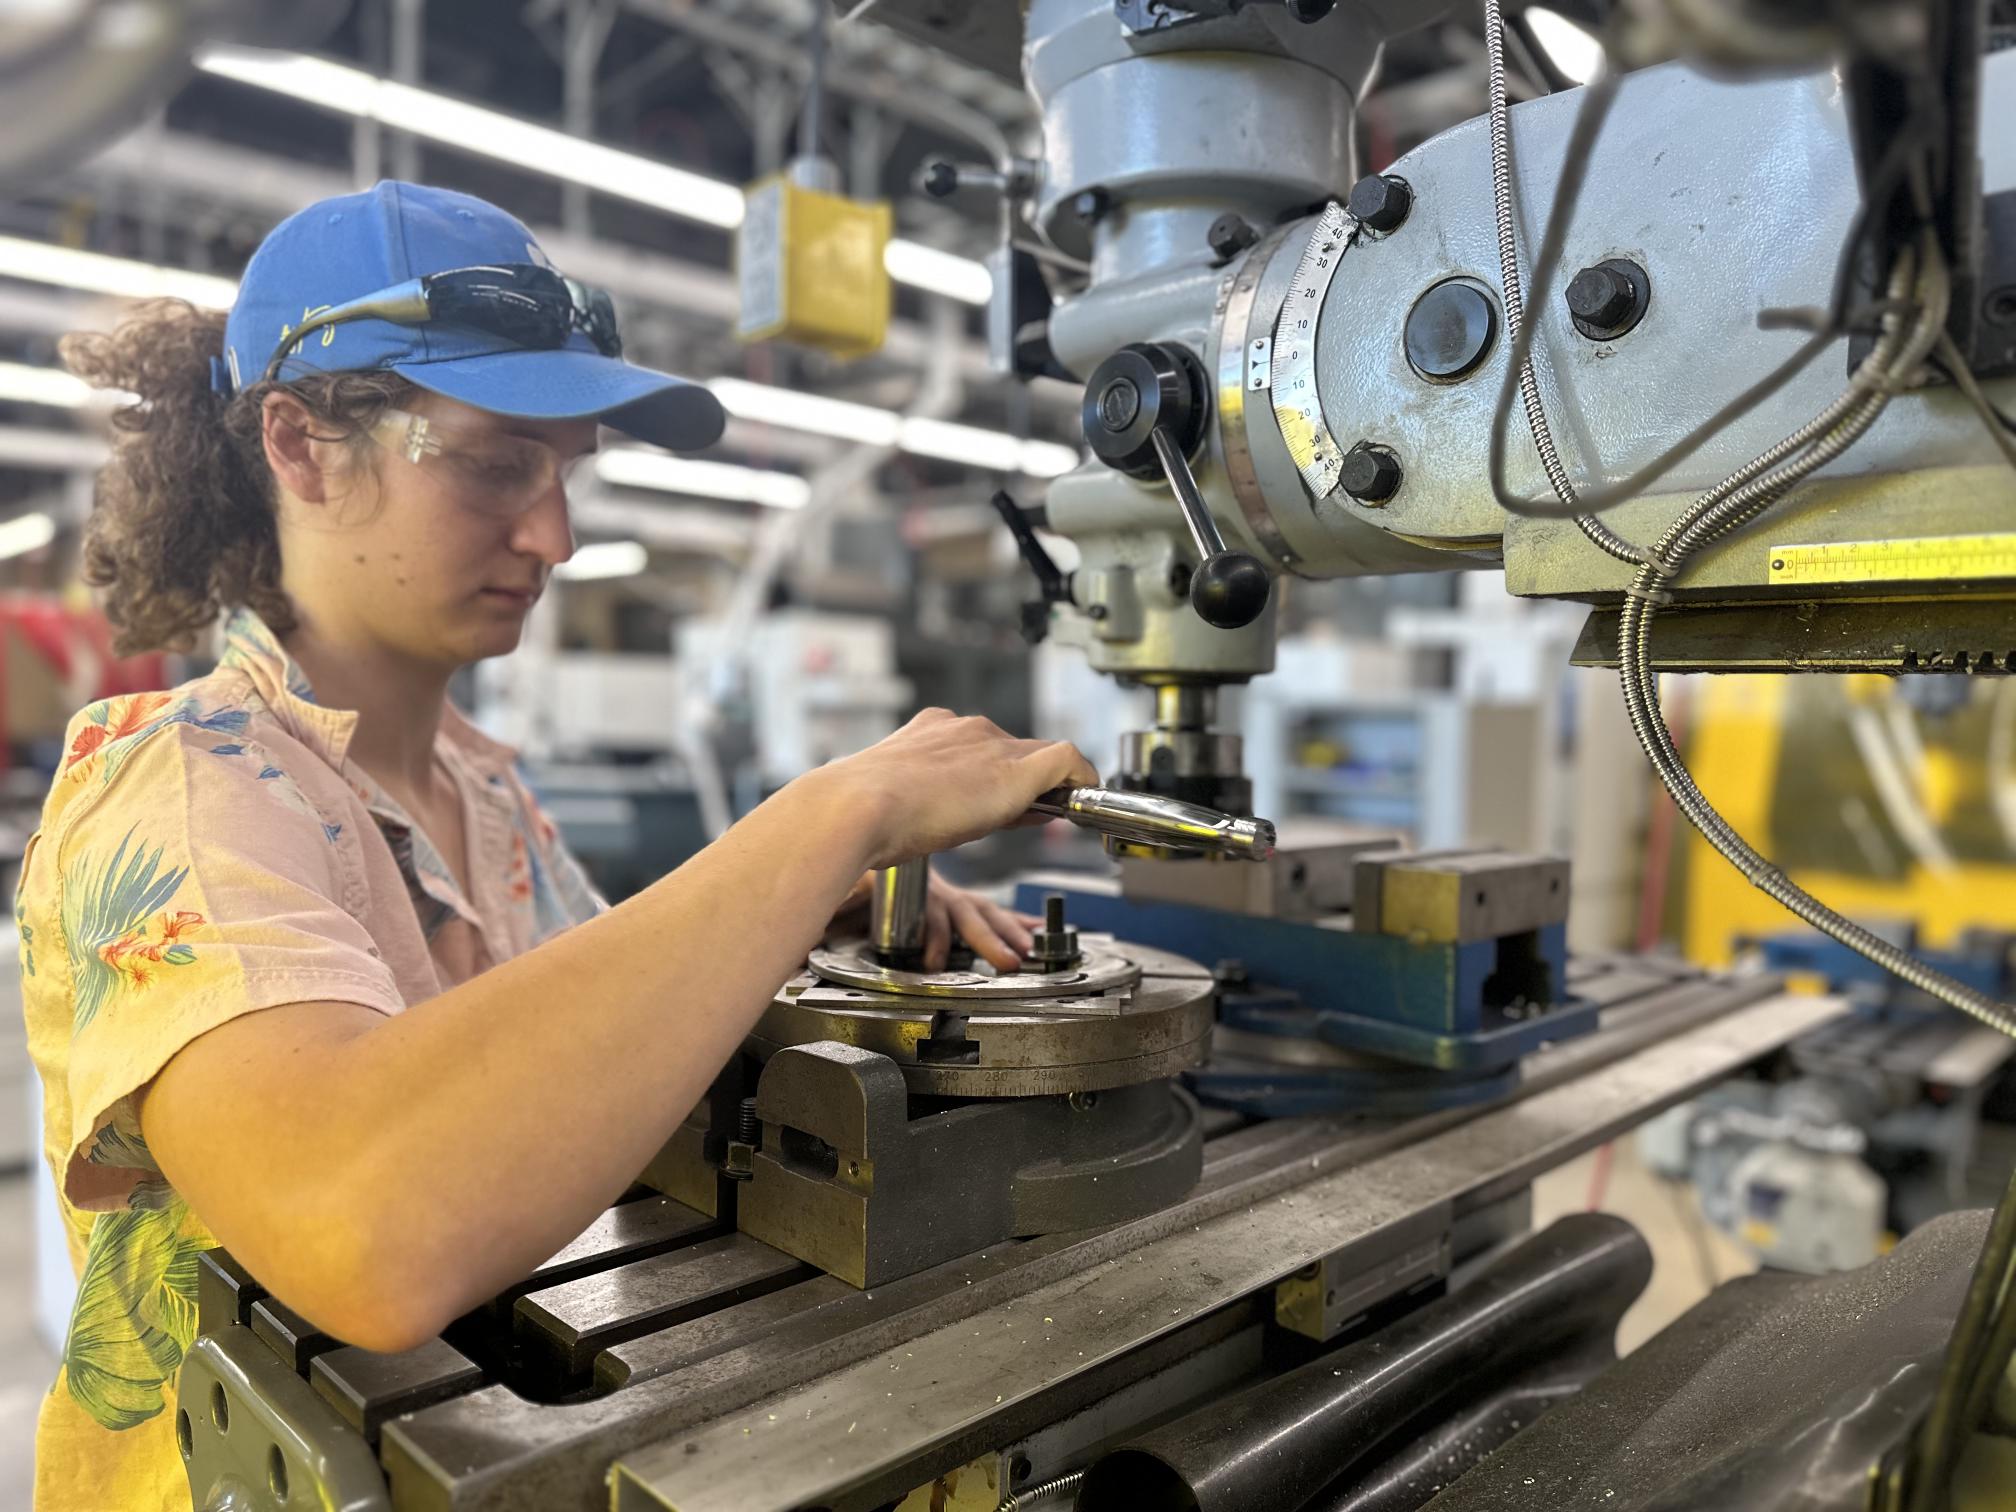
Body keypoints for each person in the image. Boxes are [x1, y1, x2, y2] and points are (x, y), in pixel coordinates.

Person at [19, 180, 1096, 1512]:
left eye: (565, 470)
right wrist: (829, 816)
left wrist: (801, 912)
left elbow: (578, 1039)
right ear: (298, 448)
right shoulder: (180, 787)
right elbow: (363, 1229)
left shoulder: (480, 789)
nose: (555, 536)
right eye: (491, 464)